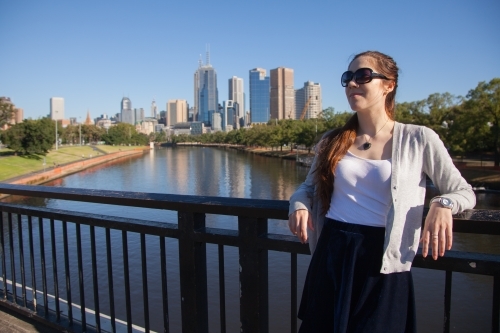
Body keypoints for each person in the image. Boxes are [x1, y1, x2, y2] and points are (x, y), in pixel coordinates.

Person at [288, 50, 476, 333]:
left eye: (363, 76)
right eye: (347, 77)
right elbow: (308, 189)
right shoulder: (332, 140)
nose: (352, 83)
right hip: (332, 251)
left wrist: (443, 203)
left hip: (383, 260)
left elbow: (463, 190)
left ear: (389, 85)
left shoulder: (419, 138)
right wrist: (299, 205)